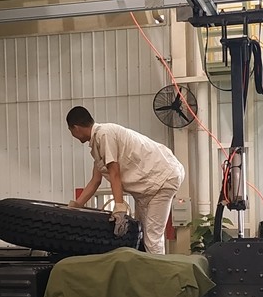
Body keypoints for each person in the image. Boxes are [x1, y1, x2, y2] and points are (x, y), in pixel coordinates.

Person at [66, 106, 185, 255]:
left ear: (76, 128)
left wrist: (119, 208)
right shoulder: (97, 144)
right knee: (140, 233)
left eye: (70, 131)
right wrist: (76, 205)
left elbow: (114, 173)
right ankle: (146, 266)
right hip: (149, 186)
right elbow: (95, 181)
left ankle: (158, 270)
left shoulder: (105, 134)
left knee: (152, 238)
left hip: (162, 178)